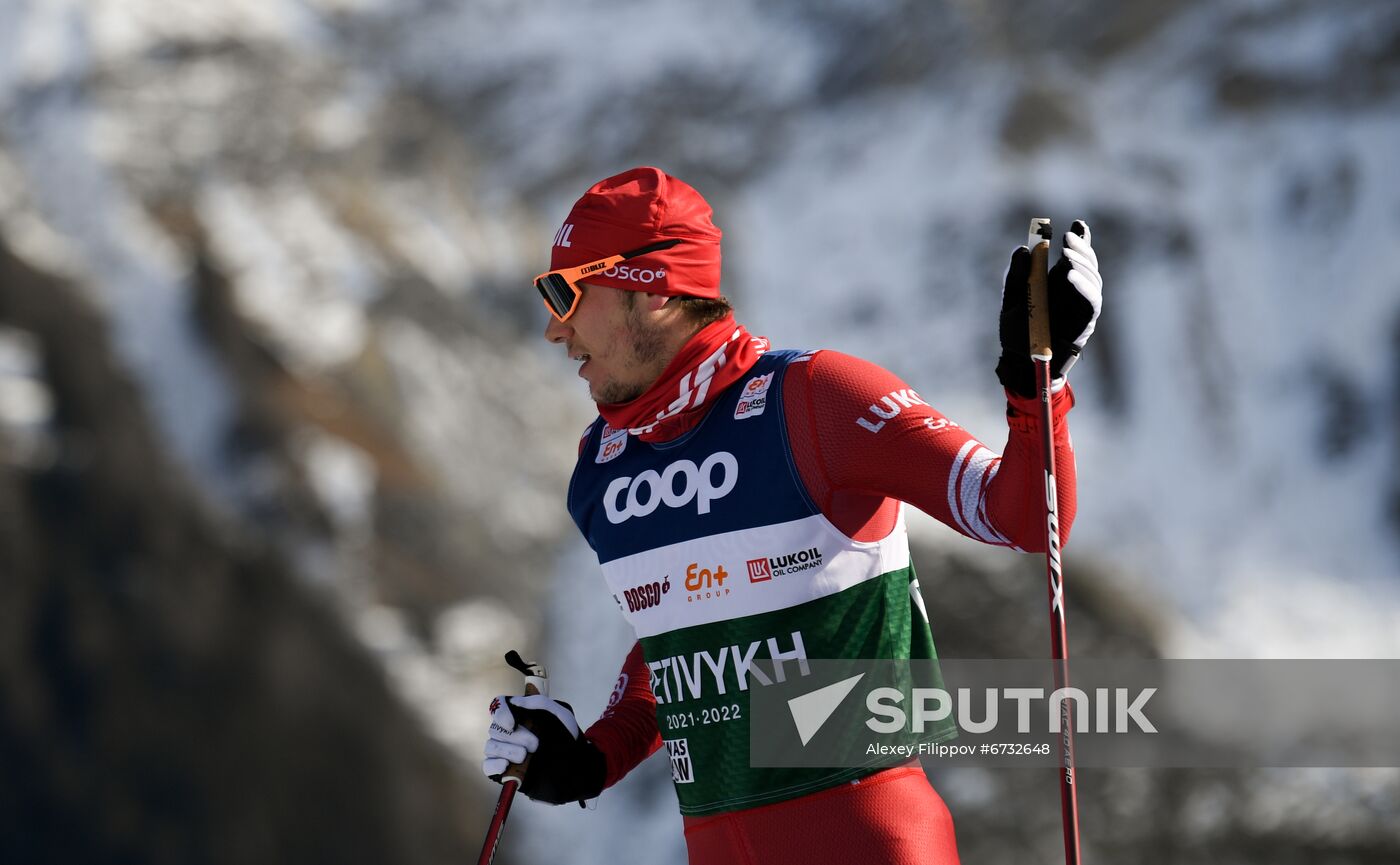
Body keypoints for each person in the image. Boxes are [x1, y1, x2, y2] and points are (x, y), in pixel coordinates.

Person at [482, 166, 1102, 864]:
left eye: (567, 292)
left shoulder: (817, 399)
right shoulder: (604, 469)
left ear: (647, 289)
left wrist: (1034, 389)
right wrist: (588, 759)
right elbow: (681, 644)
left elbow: (1016, 515)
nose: (553, 327)